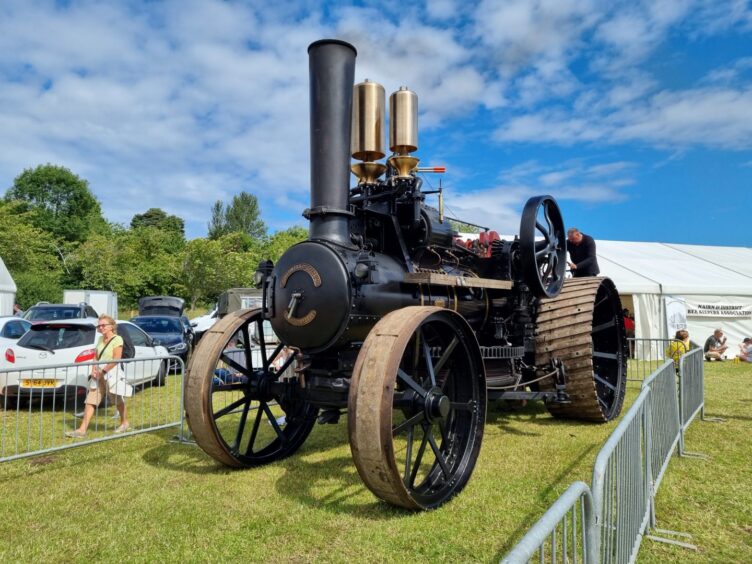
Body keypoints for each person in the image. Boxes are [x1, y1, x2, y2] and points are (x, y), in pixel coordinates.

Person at [66, 315, 130, 438]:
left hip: (111, 373)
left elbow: (116, 359)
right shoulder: (100, 339)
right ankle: (82, 430)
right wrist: (94, 369)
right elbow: (96, 355)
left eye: (103, 325)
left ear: (111, 326)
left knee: (117, 400)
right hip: (99, 373)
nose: (100, 327)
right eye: (99, 325)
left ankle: (124, 422)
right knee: (90, 400)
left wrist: (104, 371)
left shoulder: (118, 339)